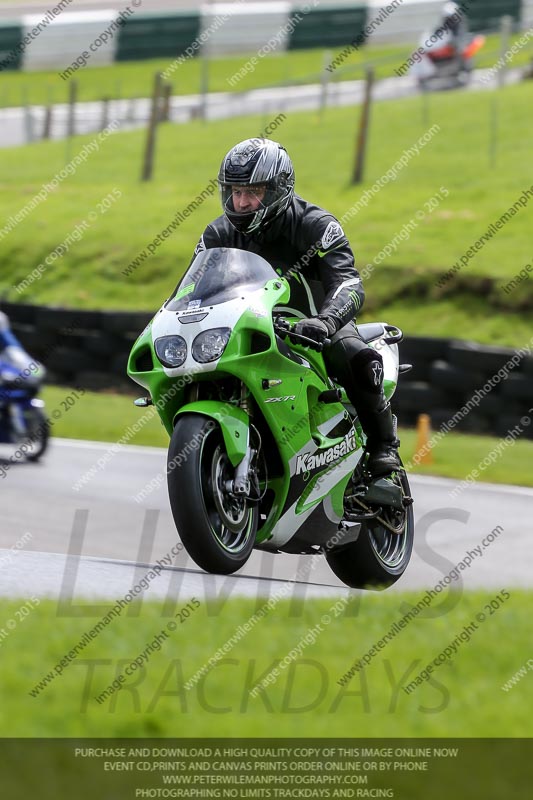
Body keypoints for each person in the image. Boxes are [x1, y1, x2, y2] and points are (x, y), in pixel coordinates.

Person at [188, 138, 400, 477]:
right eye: (235, 191)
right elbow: (193, 291)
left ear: (279, 188)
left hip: (314, 323)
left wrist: (326, 321)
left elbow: (348, 283)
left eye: (253, 191)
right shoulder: (217, 234)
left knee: (355, 356)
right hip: (248, 327)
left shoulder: (316, 225)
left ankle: (383, 446)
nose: (241, 202)